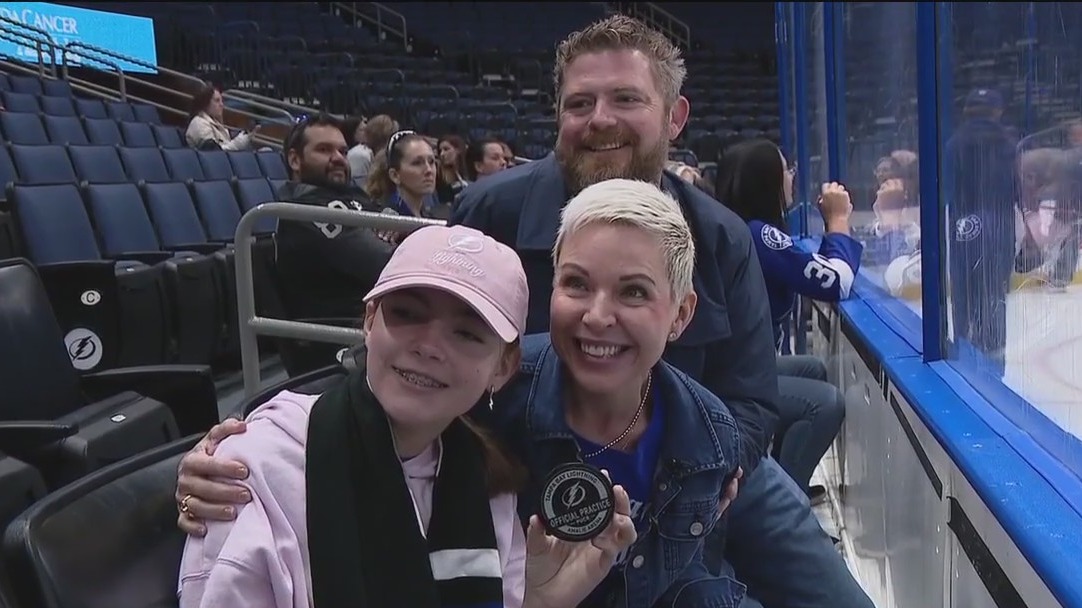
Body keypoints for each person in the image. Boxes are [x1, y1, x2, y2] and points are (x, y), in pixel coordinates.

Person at [175, 15, 874, 608]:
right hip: (528, 480)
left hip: (692, 468)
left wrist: (707, 476)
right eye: (580, 104)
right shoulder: (490, 209)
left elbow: (749, 398)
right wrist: (241, 440)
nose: (599, 120)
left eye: (624, 99)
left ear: (674, 116)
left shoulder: (718, 234)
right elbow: (414, 342)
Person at [177, 179, 749, 607]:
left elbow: (695, 575)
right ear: (368, 321)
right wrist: (223, 450)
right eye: (577, 283)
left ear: (680, 315)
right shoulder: (261, 466)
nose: (430, 347)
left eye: (467, 333)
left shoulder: (707, 437)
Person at [715, 138, 862, 504]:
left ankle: (782, 477)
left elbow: (812, 270)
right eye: (787, 170)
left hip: (736, 367)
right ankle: (784, 511)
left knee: (812, 369)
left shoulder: (740, 228)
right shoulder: (759, 236)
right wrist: (839, 221)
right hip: (731, 380)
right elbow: (837, 282)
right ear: (765, 181)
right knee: (825, 403)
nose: (793, 177)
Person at [272, 114, 394, 322]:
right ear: (294, 160)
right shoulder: (305, 209)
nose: (338, 157)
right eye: (324, 150)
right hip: (338, 335)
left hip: (378, 317)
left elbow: (394, 227)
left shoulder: (351, 195)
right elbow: (383, 262)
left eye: (343, 151)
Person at [185, 84, 258, 151]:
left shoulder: (216, 122)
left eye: (222, 101)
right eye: (217, 101)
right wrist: (237, 145)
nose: (221, 105)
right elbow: (212, 153)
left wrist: (244, 140)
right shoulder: (199, 123)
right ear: (205, 103)